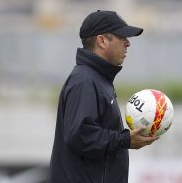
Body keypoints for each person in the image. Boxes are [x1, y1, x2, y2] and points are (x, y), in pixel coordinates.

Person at [47, 10, 160, 183]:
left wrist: (124, 140)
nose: (128, 43)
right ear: (101, 41)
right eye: (122, 37)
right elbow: (80, 135)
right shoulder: (85, 80)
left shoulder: (97, 79)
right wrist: (124, 140)